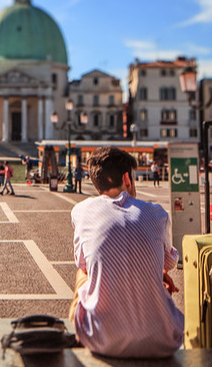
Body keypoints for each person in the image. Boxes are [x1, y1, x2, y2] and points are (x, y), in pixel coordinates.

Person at [69, 147, 182, 358]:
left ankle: (81, 335)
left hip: (102, 341)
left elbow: (84, 265)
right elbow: (170, 262)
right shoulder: (157, 214)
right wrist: (158, 271)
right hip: (164, 341)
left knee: (82, 274)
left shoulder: (81, 212)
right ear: (127, 179)